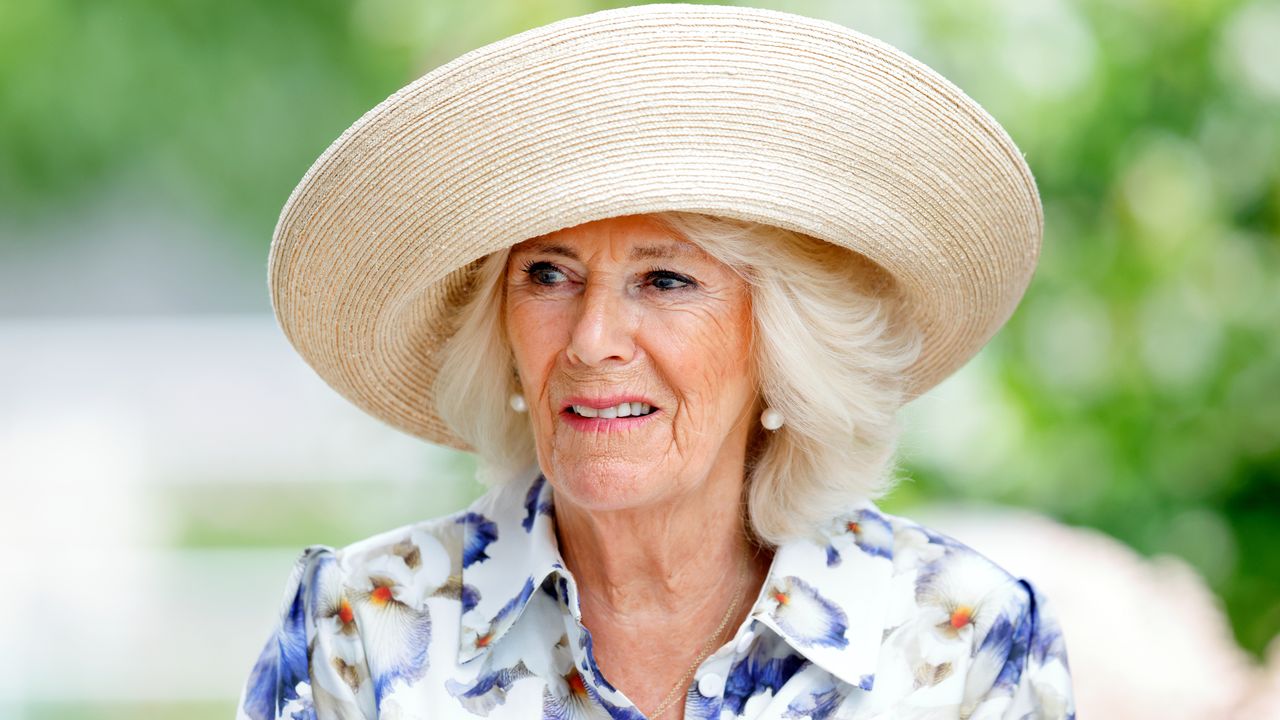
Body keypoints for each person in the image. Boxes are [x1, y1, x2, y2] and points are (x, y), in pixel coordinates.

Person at [238, 4, 1075, 719]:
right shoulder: (362, 628)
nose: (592, 337)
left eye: (666, 279)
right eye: (548, 274)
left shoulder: (965, 640)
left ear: (783, 343)